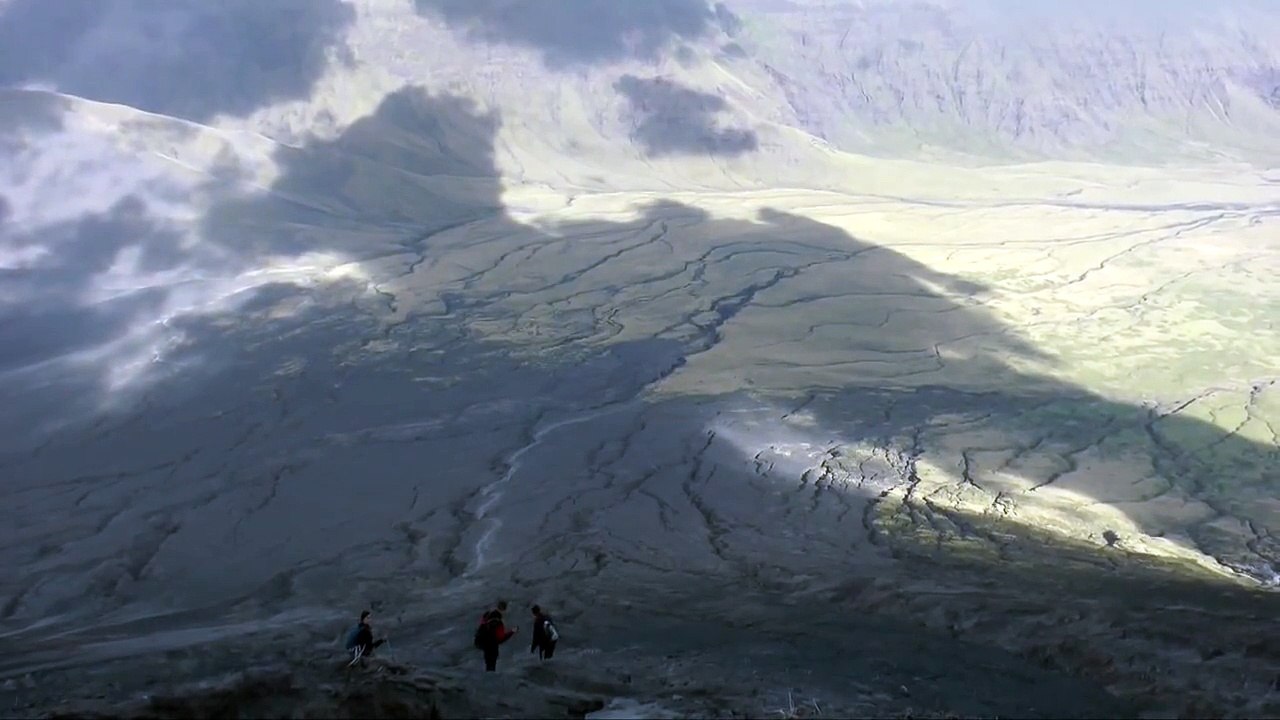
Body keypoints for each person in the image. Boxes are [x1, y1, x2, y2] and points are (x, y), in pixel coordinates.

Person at [474, 600, 518, 672]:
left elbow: (481, 626)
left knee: (487, 664)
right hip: (491, 646)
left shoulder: (487, 615)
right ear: (504, 609)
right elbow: (501, 638)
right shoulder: (499, 622)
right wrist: (512, 631)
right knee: (491, 667)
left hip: (481, 642)